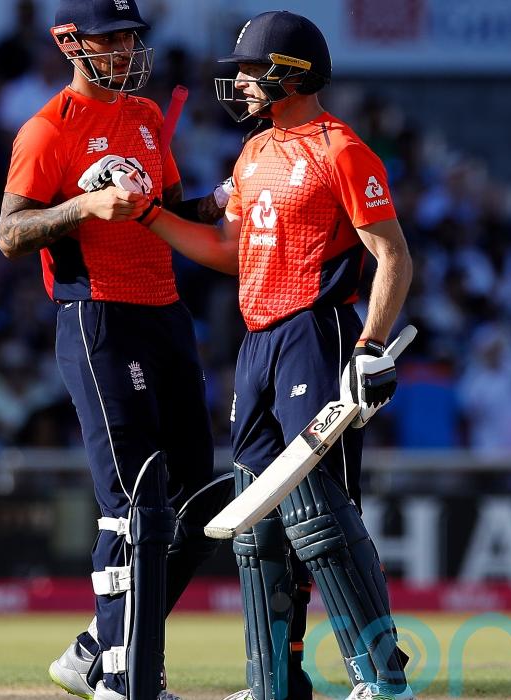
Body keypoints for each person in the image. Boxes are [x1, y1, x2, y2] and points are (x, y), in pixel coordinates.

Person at [105, 11, 415, 700]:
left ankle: (380, 677)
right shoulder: (253, 154)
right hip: (259, 340)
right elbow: (228, 252)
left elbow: (392, 253)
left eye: (252, 70)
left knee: (319, 512)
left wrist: (370, 346)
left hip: (316, 332)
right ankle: (274, 682)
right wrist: (150, 216)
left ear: (292, 74)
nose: (240, 82)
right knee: (259, 519)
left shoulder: (342, 149)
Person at [0, 1, 236, 697]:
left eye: (131, 36)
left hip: (165, 311)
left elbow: (167, 210)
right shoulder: (47, 129)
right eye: (112, 38)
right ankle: (123, 675)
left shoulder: (146, 116)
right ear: (71, 43)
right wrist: (83, 207)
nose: (127, 49)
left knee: (197, 499)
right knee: (133, 499)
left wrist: (215, 204)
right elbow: (10, 234)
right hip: (98, 315)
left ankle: (99, 649)